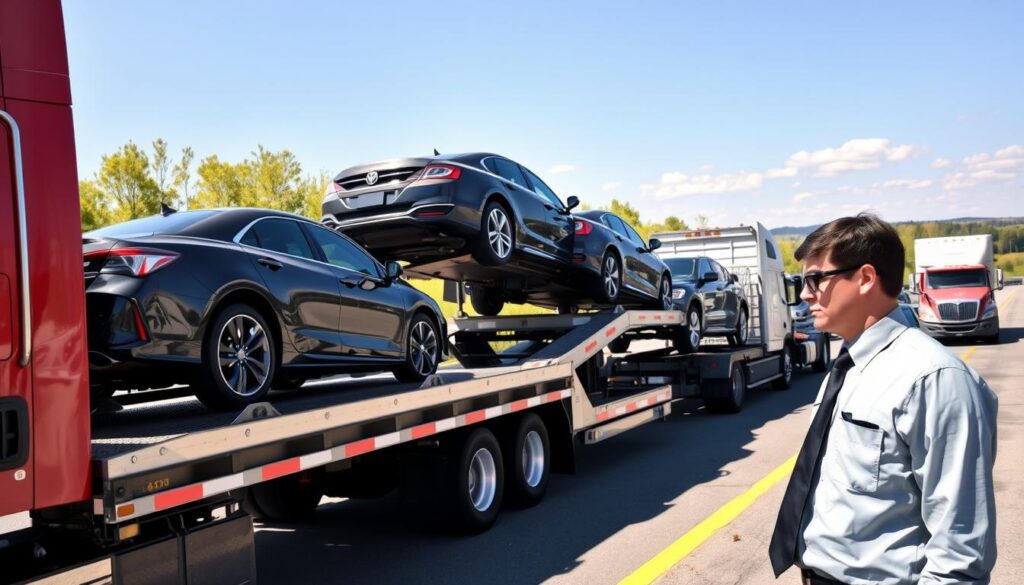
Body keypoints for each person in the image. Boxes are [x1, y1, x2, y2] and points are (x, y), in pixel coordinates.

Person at [768, 214, 998, 584]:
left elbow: (959, 549)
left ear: (865, 278)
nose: (805, 294)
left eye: (815, 279)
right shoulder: (849, 366)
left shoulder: (934, 379)